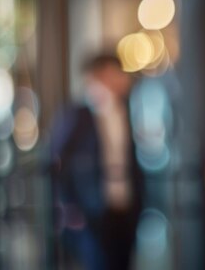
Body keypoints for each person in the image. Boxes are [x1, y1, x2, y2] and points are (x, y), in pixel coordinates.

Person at [49, 54, 144, 270]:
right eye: (116, 73)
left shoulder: (129, 110)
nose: (123, 79)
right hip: (93, 212)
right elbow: (57, 165)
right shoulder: (78, 115)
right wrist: (70, 208)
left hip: (127, 208)